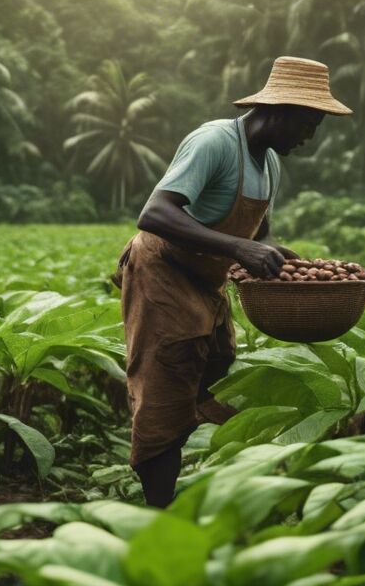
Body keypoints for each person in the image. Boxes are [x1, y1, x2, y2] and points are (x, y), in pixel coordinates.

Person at [112, 56, 352, 507]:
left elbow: (258, 231)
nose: (310, 138)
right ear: (281, 111)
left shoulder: (269, 163)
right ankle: (159, 515)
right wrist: (239, 250)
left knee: (215, 377)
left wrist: (275, 251)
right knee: (165, 387)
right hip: (163, 275)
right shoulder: (214, 142)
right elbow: (155, 213)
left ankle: (209, 482)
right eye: (309, 124)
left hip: (207, 281)